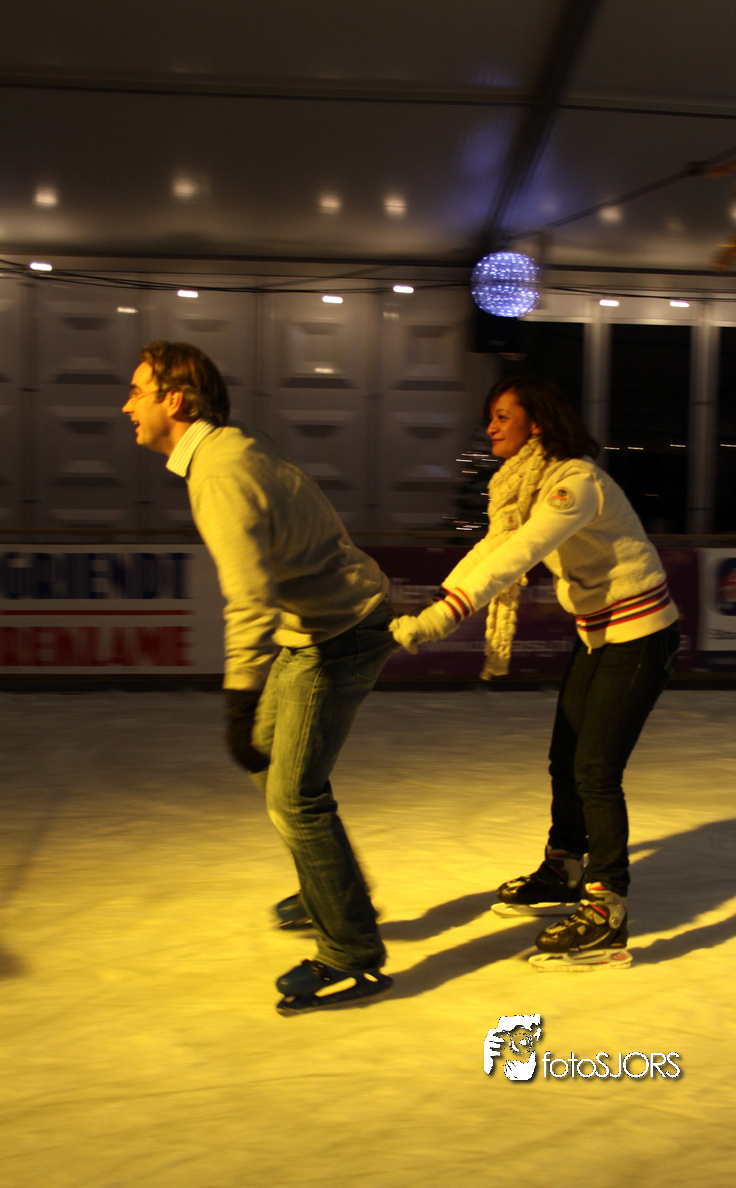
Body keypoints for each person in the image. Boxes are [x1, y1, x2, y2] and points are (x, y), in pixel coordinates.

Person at [123, 341, 395, 1013]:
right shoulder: (228, 447)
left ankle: (351, 952)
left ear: (174, 401)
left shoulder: (219, 471)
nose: (126, 406)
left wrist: (238, 700)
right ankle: (330, 888)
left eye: (136, 391)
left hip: (337, 632)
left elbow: (249, 598)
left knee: (294, 796)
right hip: (323, 624)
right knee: (272, 767)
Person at [390, 376, 680, 970]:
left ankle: (607, 910)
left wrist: (445, 617)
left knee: (596, 770)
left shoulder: (574, 483)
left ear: (538, 423)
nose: (491, 427)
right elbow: (495, 547)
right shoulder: (525, 488)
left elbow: (521, 553)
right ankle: (565, 867)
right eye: (490, 416)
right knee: (565, 758)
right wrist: (435, 606)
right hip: (597, 633)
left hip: (641, 634)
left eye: (503, 416)